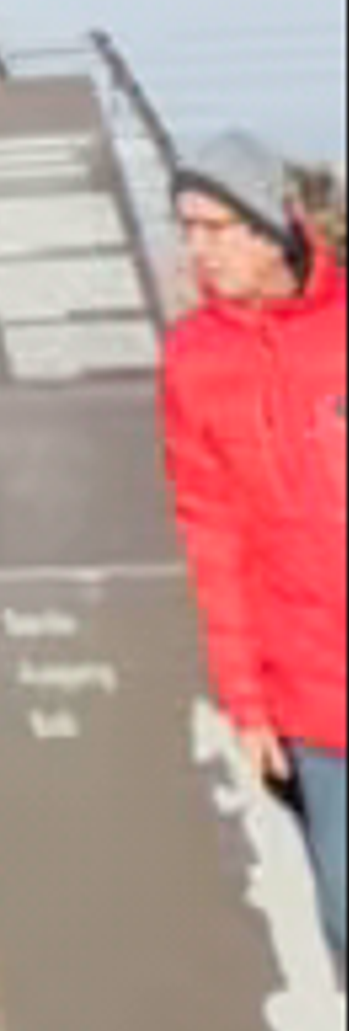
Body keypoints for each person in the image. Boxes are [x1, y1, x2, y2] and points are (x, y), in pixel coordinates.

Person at [156, 133, 347, 974]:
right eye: (187, 227)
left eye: (216, 226)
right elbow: (213, 536)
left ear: (274, 228)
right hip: (309, 689)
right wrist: (247, 703)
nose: (199, 247)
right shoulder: (194, 359)